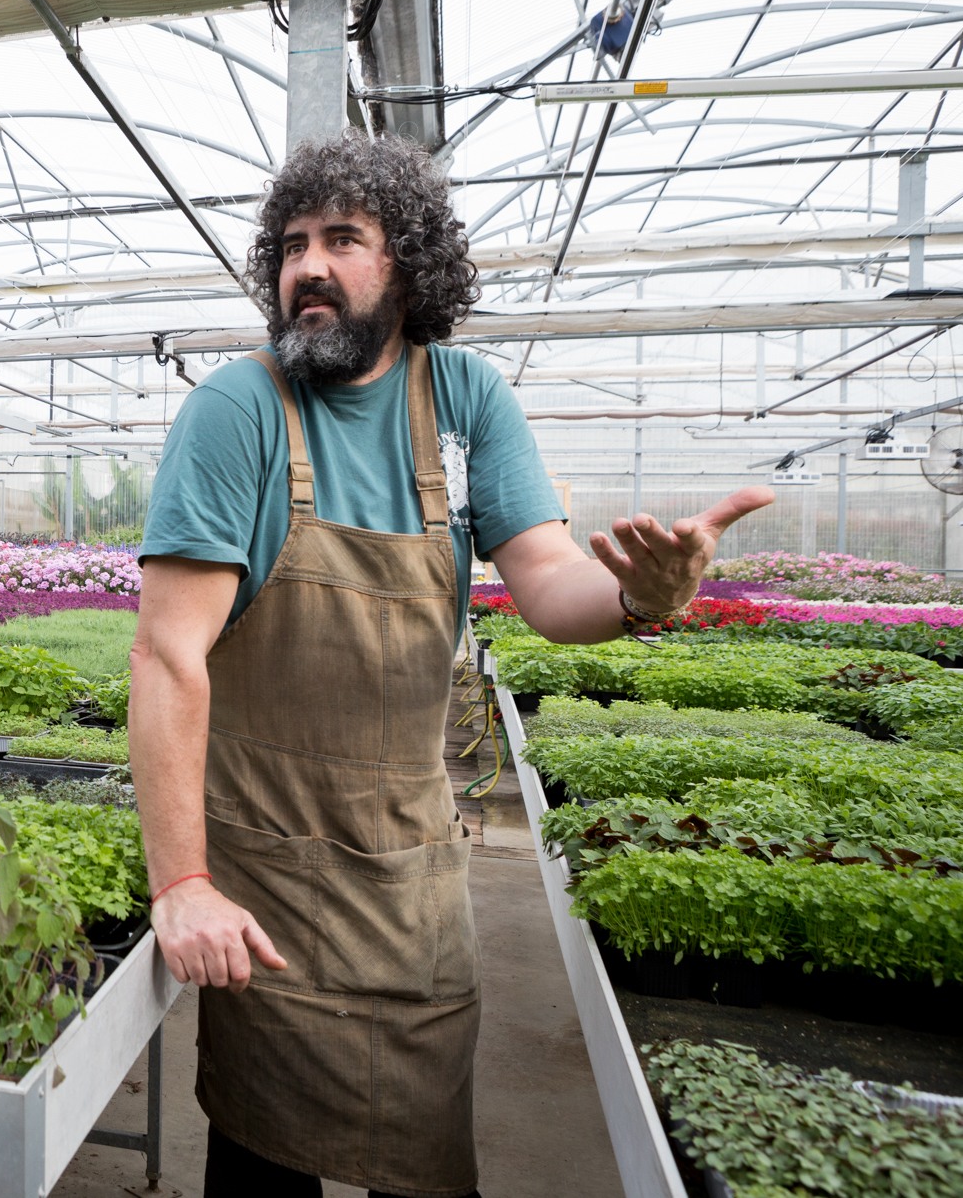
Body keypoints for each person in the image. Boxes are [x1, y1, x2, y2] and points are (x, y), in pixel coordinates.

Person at [128, 133, 772, 1198]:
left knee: (427, 1161)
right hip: (267, 874)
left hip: (408, 871)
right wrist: (183, 884)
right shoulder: (238, 409)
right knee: (261, 1160)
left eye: (343, 238)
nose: (308, 267)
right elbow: (166, 653)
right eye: (291, 245)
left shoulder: (463, 399)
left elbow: (549, 582)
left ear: (408, 264)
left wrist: (639, 600)